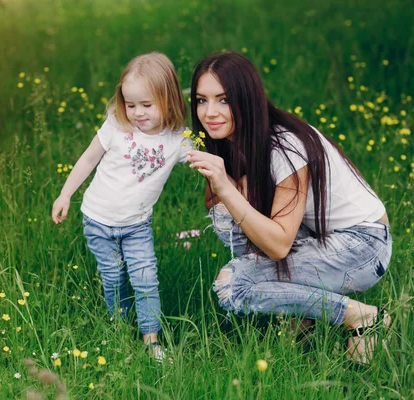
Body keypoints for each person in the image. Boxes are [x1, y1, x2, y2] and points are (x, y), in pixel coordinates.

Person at [186, 51, 392, 364]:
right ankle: (305, 319)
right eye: (202, 100)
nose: (210, 112)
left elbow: (279, 245)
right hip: (318, 234)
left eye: (224, 100)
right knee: (224, 213)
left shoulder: (286, 146)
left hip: (363, 246)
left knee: (235, 284)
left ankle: (362, 317)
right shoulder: (237, 139)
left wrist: (228, 189)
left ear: (247, 99)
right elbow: (236, 226)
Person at [51, 52, 190, 360]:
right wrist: (65, 194)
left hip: (137, 226)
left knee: (145, 280)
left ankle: (150, 339)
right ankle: (118, 326)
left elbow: (206, 160)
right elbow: (89, 158)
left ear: (168, 100)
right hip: (97, 220)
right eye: (131, 104)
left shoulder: (177, 140)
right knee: (112, 276)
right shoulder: (116, 125)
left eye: (147, 105)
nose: (137, 113)